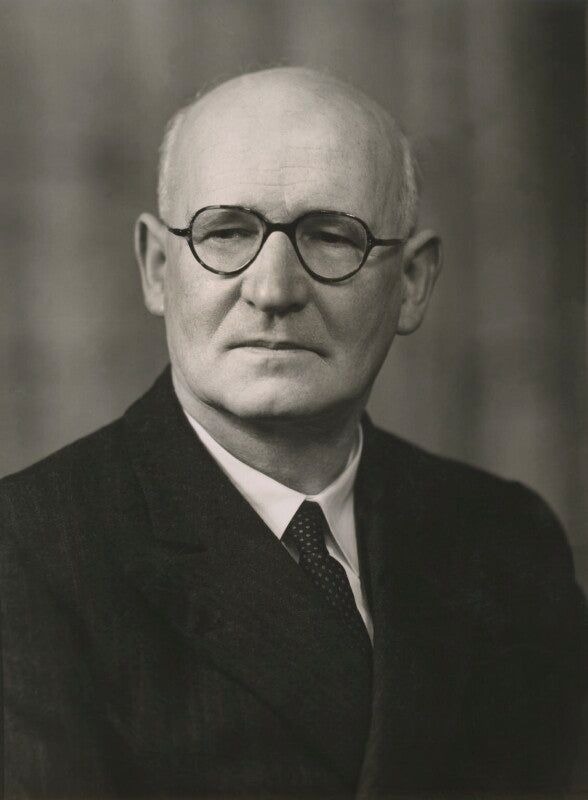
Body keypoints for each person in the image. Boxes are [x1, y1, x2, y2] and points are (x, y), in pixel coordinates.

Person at [0, 66, 586, 799]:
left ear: (412, 283)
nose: (274, 289)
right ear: (156, 267)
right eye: (226, 232)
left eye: (332, 236)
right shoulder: (26, 553)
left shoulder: (507, 542)